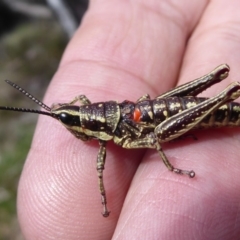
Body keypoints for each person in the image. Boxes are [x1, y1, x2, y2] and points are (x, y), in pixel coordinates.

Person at [18, 1, 240, 239]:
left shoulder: (112, 138)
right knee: (149, 112)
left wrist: (172, 167)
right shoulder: (89, 109)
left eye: (67, 118)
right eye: (66, 116)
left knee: (156, 138)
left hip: (157, 116)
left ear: (90, 123)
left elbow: (154, 143)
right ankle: (223, 99)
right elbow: (81, 97)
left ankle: (225, 100)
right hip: (145, 111)